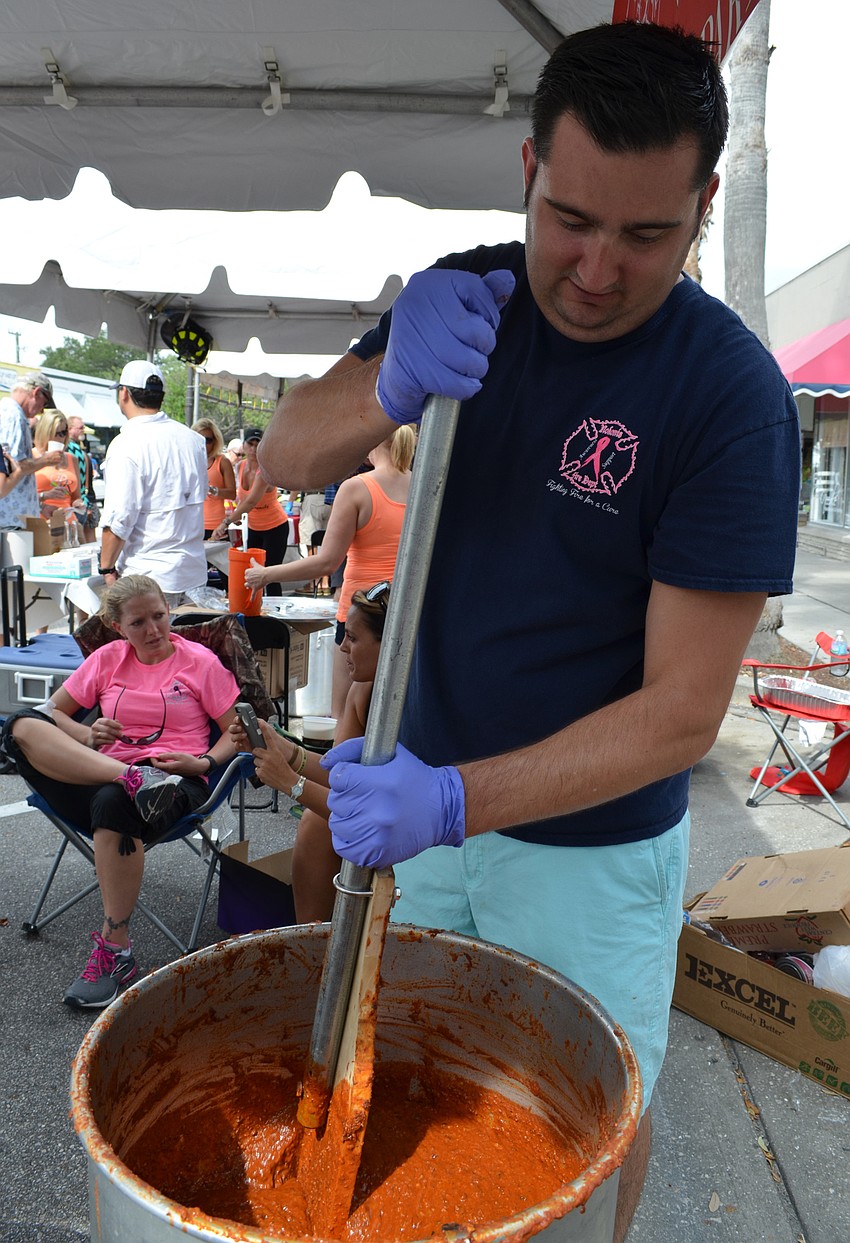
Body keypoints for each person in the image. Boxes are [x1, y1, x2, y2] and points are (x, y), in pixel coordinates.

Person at [258, 21, 801, 1238]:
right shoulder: (469, 297)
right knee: (410, 1087)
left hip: (589, 854)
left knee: (584, 1114)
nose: (598, 268)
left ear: (704, 207)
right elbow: (284, 454)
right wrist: (386, 375)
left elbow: (679, 716)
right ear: (527, 171)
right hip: (410, 810)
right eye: (571, 218)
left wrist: (453, 798)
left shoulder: (727, 398)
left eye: (645, 233)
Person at [1, 574, 240, 1009]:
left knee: (114, 802)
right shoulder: (109, 658)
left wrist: (202, 763)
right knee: (18, 726)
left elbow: (236, 733)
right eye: (138, 623)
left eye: (159, 617)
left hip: (172, 781)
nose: (152, 631)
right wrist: (88, 733)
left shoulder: (199, 662)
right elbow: (53, 712)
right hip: (105, 771)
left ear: (169, 612)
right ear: (116, 626)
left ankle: (116, 950)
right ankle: (127, 777)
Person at [231, 580, 389, 922]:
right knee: (316, 822)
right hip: (377, 816)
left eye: (354, 638)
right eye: (344, 634)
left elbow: (372, 812)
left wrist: (291, 783)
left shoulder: (412, 704)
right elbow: (341, 775)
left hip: (405, 825)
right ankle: (314, 942)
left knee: (318, 822)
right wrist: (283, 748)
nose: (342, 647)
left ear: (390, 645)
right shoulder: (363, 689)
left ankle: (315, 946)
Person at [245, 426, 414, 717]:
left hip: (362, 614)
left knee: (346, 717)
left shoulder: (357, 488)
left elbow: (327, 562)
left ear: (371, 442)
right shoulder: (423, 485)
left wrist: (266, 574)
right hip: (407, 613)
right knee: (397, 717)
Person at [98, 361, 208, 604]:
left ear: (124, 393)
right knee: (186, 642)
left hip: (148, 578)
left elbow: (120, 517)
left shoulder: (126, 443)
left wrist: (106, 568)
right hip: (193, 573)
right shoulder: (193, 440)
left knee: (149, 643)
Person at [210, 427, 289, 596]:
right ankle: (254, 612)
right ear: (244, 445)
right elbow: (241, 499)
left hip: (275, 527)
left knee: (271, 576)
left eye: (257, 444)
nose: (253, 449)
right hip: (254, 527)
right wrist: (233, 516)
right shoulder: (240, 466)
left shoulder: (265, 470)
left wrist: (226, 522)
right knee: (252, 574)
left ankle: (275, 618)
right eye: (250, 444)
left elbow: (251, 502)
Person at [0, 372, 65, 547]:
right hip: (12, 520)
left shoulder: (9, 412)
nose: (42, 410)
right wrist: (46, 460)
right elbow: (15, 466)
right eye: (43, 404)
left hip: (14, 518)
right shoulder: (13, 415)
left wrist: (39, 505)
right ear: (36, 392)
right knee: (16, 572)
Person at [32, 409, 83, 543]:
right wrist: (45, 496)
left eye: (64, 432)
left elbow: (76, 496)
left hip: (69, 524)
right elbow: (20, 496)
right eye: (57, 433)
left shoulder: (72, 459)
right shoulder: (32, 457)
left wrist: (78, 503)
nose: (61, 437)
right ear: (45, 432)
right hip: (42, 524)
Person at [193, 417, 237, 538]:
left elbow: (232, 493)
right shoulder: (188, 461)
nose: (204, 444)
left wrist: (212, 490)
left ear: (215, 441)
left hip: (215, 527)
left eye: (208, 440)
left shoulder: (222, 462)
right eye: (200, 439)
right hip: (192, 525)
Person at [66, 415, 100, 543]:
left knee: (88, 538)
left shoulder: (76, 448)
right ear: (69, 429)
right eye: (80, 427)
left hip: (86, 498)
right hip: (82, 500)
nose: (83, 430)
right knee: (85, 539)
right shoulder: (71, 449)